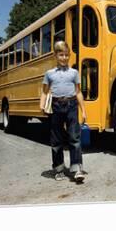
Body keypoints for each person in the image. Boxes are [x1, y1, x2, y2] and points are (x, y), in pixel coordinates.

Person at [40, 41, 87, 183]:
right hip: (56, 106)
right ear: (56, 55)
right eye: (61, 55)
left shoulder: (74, 73)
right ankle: (59, 169)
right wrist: (42, 106)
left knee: (74, 138)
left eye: (67, 55)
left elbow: (78, 92)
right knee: (56, 140)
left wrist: (83, 111)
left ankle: (76, 168)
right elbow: (44, 92)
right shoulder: (49, 74)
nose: (64, 58)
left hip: (72, 105)